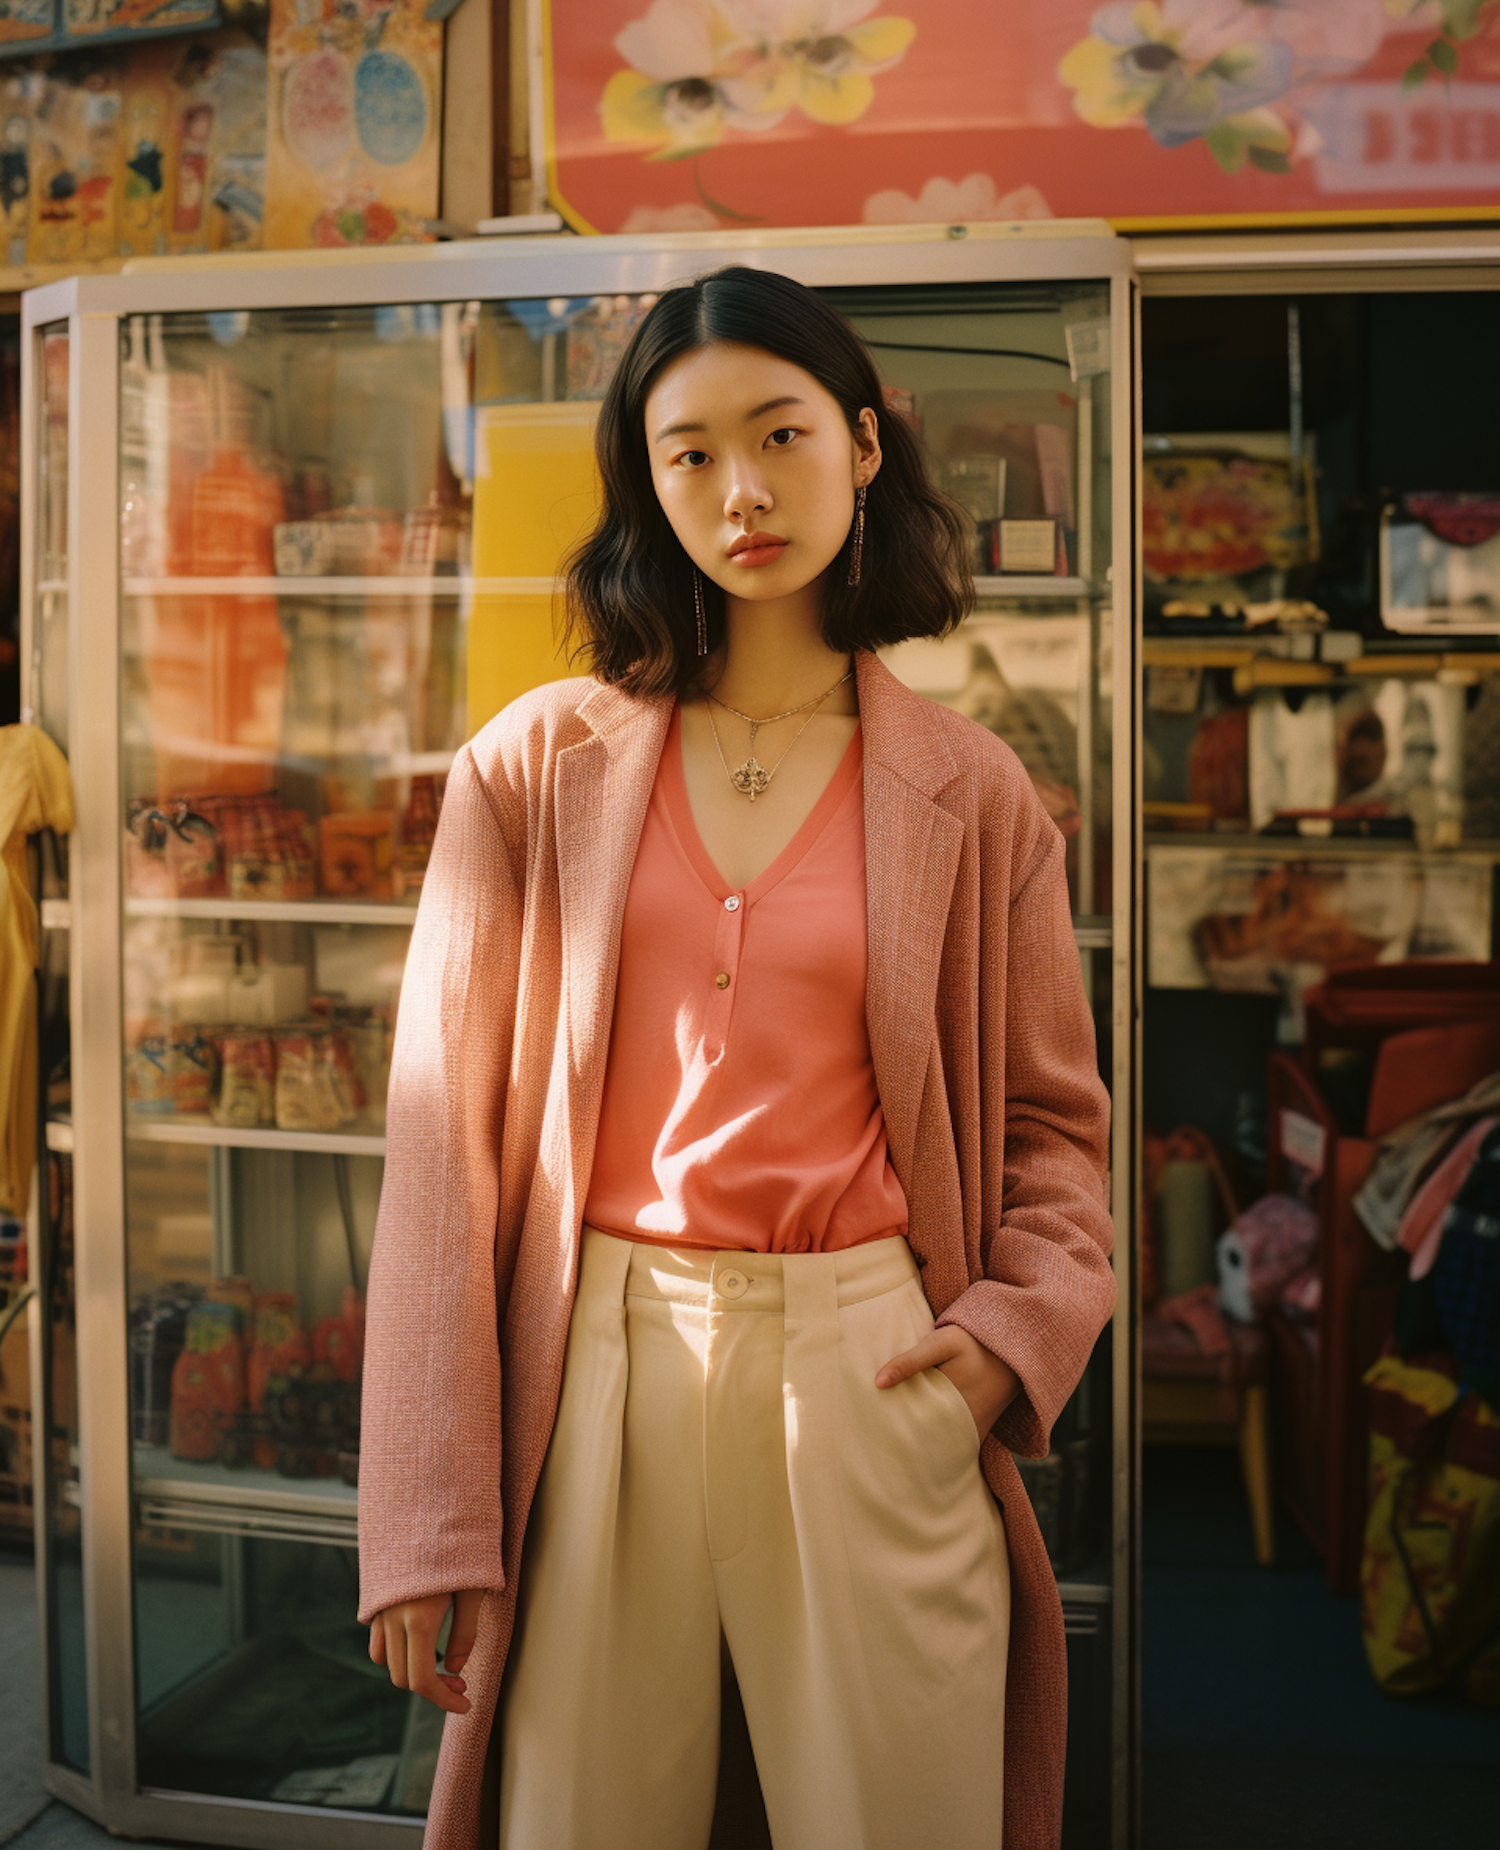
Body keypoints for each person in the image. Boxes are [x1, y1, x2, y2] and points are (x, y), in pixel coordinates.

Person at [357, 266, 1115, 1850]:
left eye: (780, 434)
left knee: (903, 1819)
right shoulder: (532, 768)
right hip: (600, 1364)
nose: (742, 490)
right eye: (687, 452)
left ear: (865, 442)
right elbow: (443, 1152)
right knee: (580, 1823)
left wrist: (999, 1345)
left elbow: (1058, 1133)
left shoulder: (974, 796)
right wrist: (426, 1512)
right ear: (643, 480)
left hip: (873, 1361)